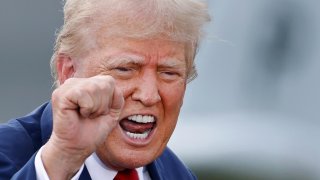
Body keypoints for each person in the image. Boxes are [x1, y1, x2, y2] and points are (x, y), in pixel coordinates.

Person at [0, 0, 210, 179]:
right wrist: (62, 159)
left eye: (168, 73)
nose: (148, 96)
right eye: (125, 69)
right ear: (69, 71)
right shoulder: (7, 155)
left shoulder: (178, 174)